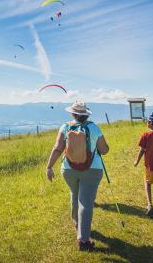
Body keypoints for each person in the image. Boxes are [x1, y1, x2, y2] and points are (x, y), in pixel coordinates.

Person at [46, 101, 110, 251]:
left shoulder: (65, 127)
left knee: (75, 195)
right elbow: (104, 150)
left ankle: (77, 224)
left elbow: (57, 148)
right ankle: (84, 241)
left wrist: (49, 167)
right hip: (92, 170)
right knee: (86, 204)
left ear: (73, 114)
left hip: (68, 169)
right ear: (86, 114)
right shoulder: (93, 127)